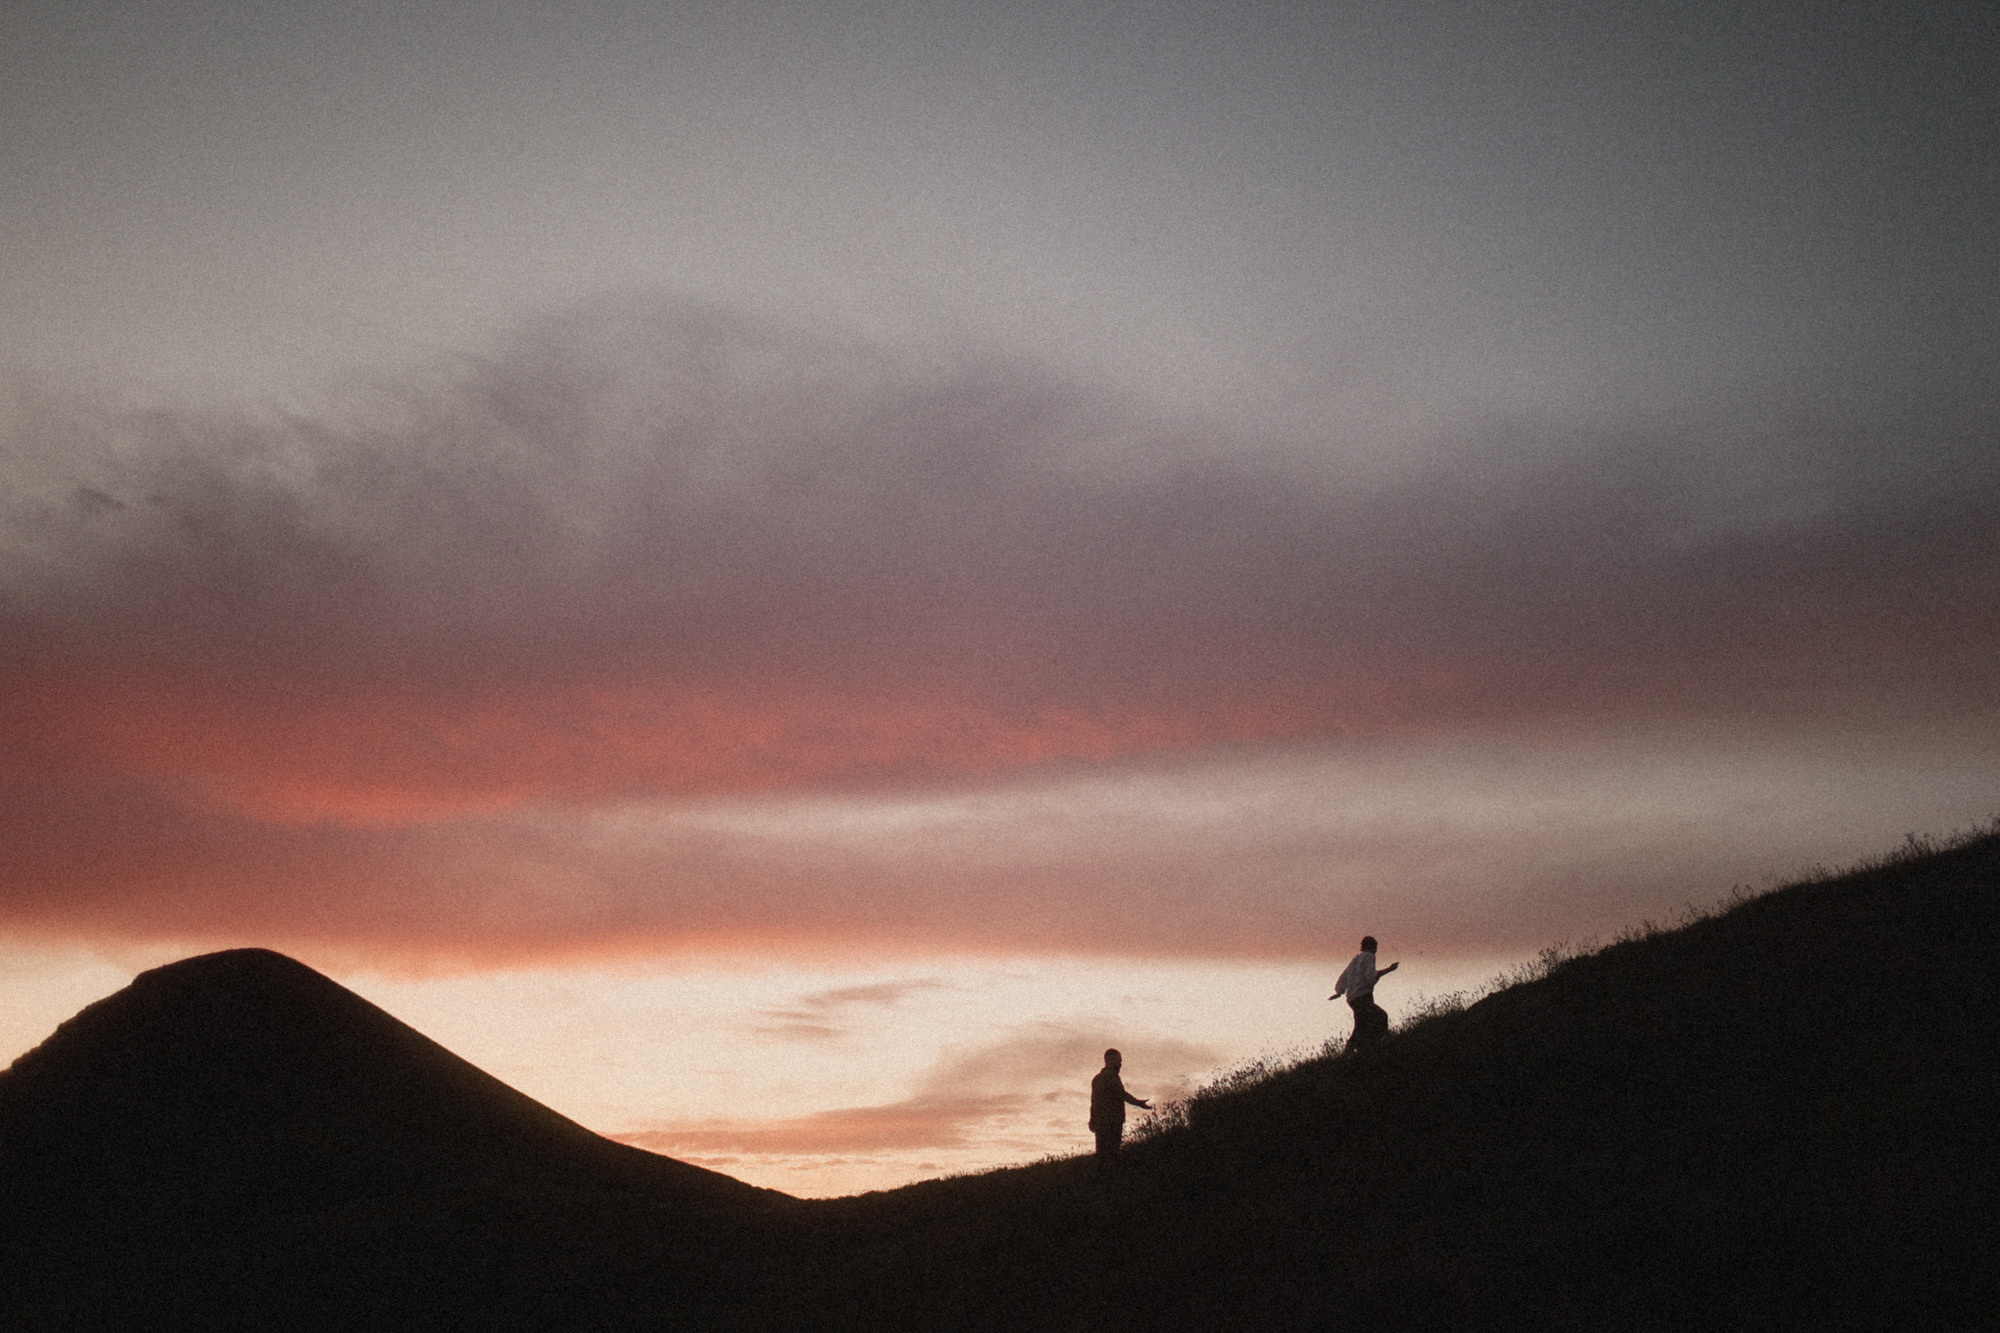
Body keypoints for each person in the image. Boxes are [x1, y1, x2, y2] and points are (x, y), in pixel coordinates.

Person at [1088, 1048, 1151, 1176]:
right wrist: (1139, 1103)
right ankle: (1112, 1182)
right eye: (1119, 1060)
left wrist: (1092, 1119)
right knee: (1112, 1154)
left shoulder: (1096, 1079)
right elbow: (1122, 1095)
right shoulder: (1112, 1076)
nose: (1121, 1064)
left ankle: (1101, 1182)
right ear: (1109, 1060)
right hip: (1112, 1122)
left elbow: (1093, 1102)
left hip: (1100, 1123)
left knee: (1101, 1155)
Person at [1331, 935, 1398, 1052]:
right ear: (1372, 947)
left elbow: (1344, 977)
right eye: (1375, 947)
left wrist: (1339, 992)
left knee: (1362, 1025)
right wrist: (1389, 969)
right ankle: (1379, 1044)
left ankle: (1357, 1050)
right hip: (1363, 997)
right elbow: (1371, 977)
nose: (1376, 950)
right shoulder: (1369, 957)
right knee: (1381, 1017)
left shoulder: (1355, 960)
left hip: (1352, 999)